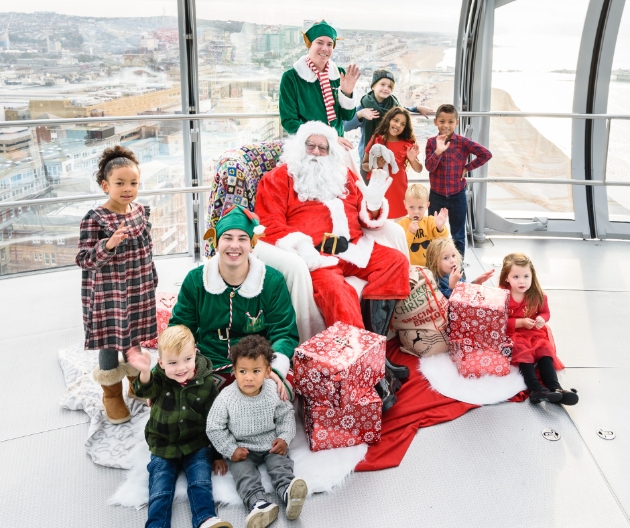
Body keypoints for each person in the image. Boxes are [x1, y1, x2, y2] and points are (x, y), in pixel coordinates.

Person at [254, 120, 411, 408]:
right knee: (339, 294)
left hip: (354, 247)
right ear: (299, 147)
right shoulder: (278, 178)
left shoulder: (345, 176)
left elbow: (367, 218)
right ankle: (371, 374)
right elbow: (269, 225)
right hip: (316, 257)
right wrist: (304, 250)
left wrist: (374, 203)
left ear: (331, 152)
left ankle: (376, 357)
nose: (315, 152)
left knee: (396, 263)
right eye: (310, 145)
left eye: (322, 147)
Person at [168, 205, 299, 398]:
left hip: (257, 362)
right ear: (216, 242)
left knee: (280, 392)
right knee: (181, 399)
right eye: (227, 238)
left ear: (252, 244)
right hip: (210, 360)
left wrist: (275, 368)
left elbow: (284, 334)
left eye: (242, 239)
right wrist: (162, 374)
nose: (234, 245)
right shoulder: (195, 280)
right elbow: (178, 330)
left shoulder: (272, 281)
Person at [76, 145, 157, 424]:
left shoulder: (140, 212)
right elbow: (84, 259)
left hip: (137, 289)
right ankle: (111, 393)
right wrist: (108, 245)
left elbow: (147, 251)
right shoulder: (95, 218)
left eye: (133, 183)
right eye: (119, 183)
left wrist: (152, 279)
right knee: (111, 342)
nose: (127, 189)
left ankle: (136, 382)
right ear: (105, 185)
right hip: (108, 294)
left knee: (133, 337)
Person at [126, 326, 232, 528]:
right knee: (160, 489)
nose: (181, 368)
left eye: (187, 359)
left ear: (195, 354)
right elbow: (143, 389)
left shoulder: (206, 382)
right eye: (172, 363)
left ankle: (206, 519)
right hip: (163, 443)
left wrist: (217, 455)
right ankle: (156, 524)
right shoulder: (159, 377)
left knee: (200, 482)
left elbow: (215, 420)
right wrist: (145, 372)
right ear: (161, 363)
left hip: (196, 443)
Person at [207, 335, 307, 528]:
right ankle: (258, 503)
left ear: (268, 371)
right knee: (243, 474)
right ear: (234, 372)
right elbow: (214, 426)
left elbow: (286, 414)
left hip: (270, 442)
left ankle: (288, 491)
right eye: (243, 371)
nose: (249, 377)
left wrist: (283, 437)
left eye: (256, 371)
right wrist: (230, 450)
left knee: (280, 463)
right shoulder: (226, 397)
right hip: (242, 448)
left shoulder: (272, 390)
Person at [499, 253, 578, 405]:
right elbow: (499, 321)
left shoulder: (538, 295)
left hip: (534, 332)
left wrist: (542, 318)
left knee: (545, 350)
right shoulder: (502, 296)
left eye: (526, 276)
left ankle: (555, 388)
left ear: (532, 276)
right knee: (524, 352)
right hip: (514, 333)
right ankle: (535, 388)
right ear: (506, 278)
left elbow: (545, 311)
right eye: (516, 277)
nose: (522, 281)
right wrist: (520, 322)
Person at [425, 103, 492, 258]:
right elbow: (429, 167)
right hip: (436, 195)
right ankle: (434, 265)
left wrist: (468, 167)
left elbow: (486, 154)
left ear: (456, 123)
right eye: (442, 121)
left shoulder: (463, 142)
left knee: (458, 235)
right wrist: (438, 151)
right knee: (433, 232)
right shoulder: (431, 142)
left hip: (457, 195)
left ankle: (458, 269)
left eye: (450, 122)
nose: (446, 125)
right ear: (435, 122)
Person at [279, 20, 359, 149]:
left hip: (337, 146)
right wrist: (327, 138)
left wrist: (347, 93)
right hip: (307, 146)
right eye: (319, 43)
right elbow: (289, 121)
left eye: (329, 44)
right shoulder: (291, 77)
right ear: (309, 44)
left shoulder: (340, 74)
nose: (325, 48)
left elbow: (348, 116)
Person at [344, 68, 433, 179]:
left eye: (390, 86)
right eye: (382, 84)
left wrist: (417, 108)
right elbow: (346, 126)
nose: (386, 88)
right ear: (373, 86)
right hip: (369, 159)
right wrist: (360, 114)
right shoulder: (364, 105)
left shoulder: (393, 105)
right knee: (369, 190)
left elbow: (402, 111)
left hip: (390, 157)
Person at [362, 107, 423, 218]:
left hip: (399, 192)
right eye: (395, 120)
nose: (398, 125)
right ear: (388, 120)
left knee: (399, 225)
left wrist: (412, 159)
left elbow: (419, 169)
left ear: (405, 128)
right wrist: (376, 165)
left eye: (403, 124)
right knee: (378, 223)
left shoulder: (407, 144)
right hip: (379, 191)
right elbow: (364, 165)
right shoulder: (376, 139)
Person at [397, 183, 449, 266]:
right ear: (405, 205)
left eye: (420, 207)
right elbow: (400, 249)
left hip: (431, 267)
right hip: (410, 269)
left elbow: (442, 242)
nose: (416, 211)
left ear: (427, 205)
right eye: (412, 207)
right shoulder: (400, 225)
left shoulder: (431, 221)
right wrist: (410, 233)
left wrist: (440, 228)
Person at [425, 238, 494, 299]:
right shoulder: (434, 282)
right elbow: (447, 304)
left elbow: (465, 289)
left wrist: (475, 283)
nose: (452, 260)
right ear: (434, 262)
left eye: (453, 255)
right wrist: (452, 286)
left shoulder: (453, 273)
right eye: (446, 258)